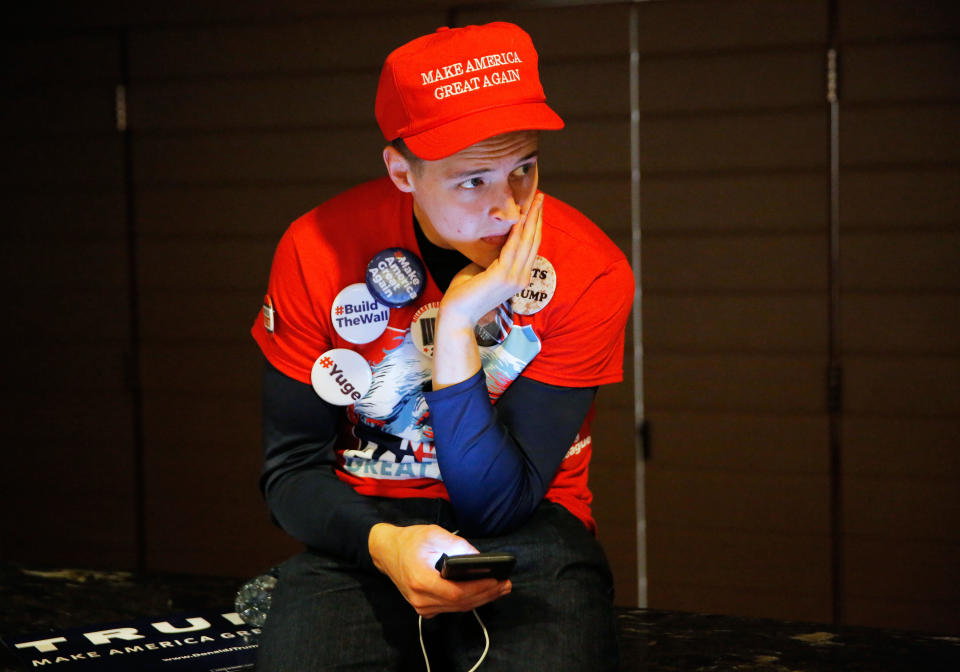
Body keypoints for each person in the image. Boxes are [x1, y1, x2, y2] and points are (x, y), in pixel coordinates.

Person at [250, 22, 634, 671]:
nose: (511, 209)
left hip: (530, 529)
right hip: (364, 526)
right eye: (472, 180)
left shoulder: (589, 267)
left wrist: (456, 327)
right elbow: (289, 473)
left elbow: (498, 503)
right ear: (402, 170)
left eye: (525, 169)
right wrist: (383, 545)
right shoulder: (315, 248)